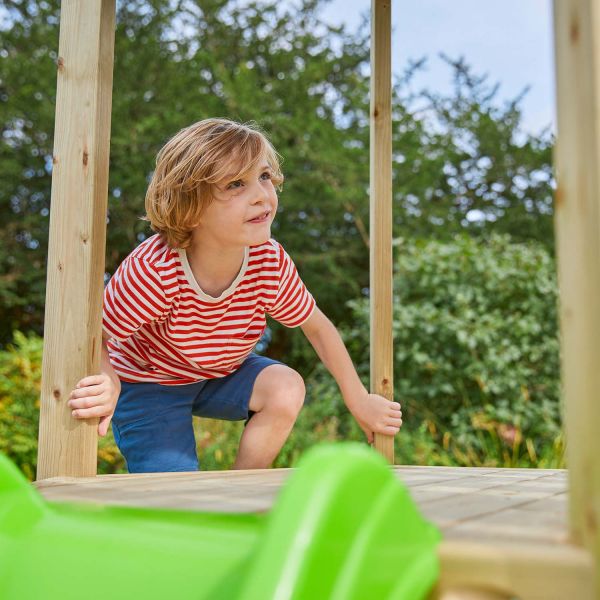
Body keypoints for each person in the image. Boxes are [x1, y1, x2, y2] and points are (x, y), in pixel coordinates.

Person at [67, 118, 403, 473]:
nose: (261, 194)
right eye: (235, 184)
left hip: (220, 372)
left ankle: (243, 486)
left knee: (286, 387)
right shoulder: (155, 271)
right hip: (150, 383)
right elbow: (95, 335)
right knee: (173, 498)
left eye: (264, 176)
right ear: (189, 206)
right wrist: (107, 377)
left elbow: (318, 328)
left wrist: (359, 400)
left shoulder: (268, 261)